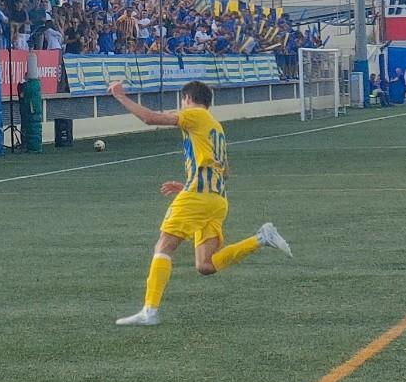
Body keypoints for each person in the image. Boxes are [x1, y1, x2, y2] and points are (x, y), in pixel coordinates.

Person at [108, 80, 293, 326]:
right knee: (205, 265)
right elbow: (225, 171)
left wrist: (120, 97)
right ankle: (261, 238)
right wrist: (186, 185)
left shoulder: (194, 115)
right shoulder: (215, 126)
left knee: (163, 246)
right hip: (217, 199)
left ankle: (149, 311)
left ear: (187, 99)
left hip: (198, 196)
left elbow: (150, 119)